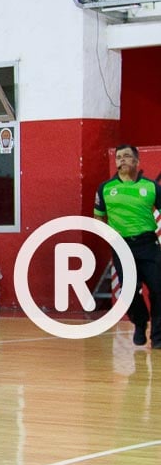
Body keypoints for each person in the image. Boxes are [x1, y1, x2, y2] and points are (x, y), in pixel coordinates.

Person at [94, 144, 161, 348]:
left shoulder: (151, 187)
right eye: (118, 157)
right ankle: (140, 323)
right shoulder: (105, 188)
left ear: (136, 161)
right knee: (129, 291)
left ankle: (158, 338)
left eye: (126, 156)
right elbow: (98, 218)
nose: (121, 160)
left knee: (158, 289)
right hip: (122, 246)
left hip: (148, 244)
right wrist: (112, 240)